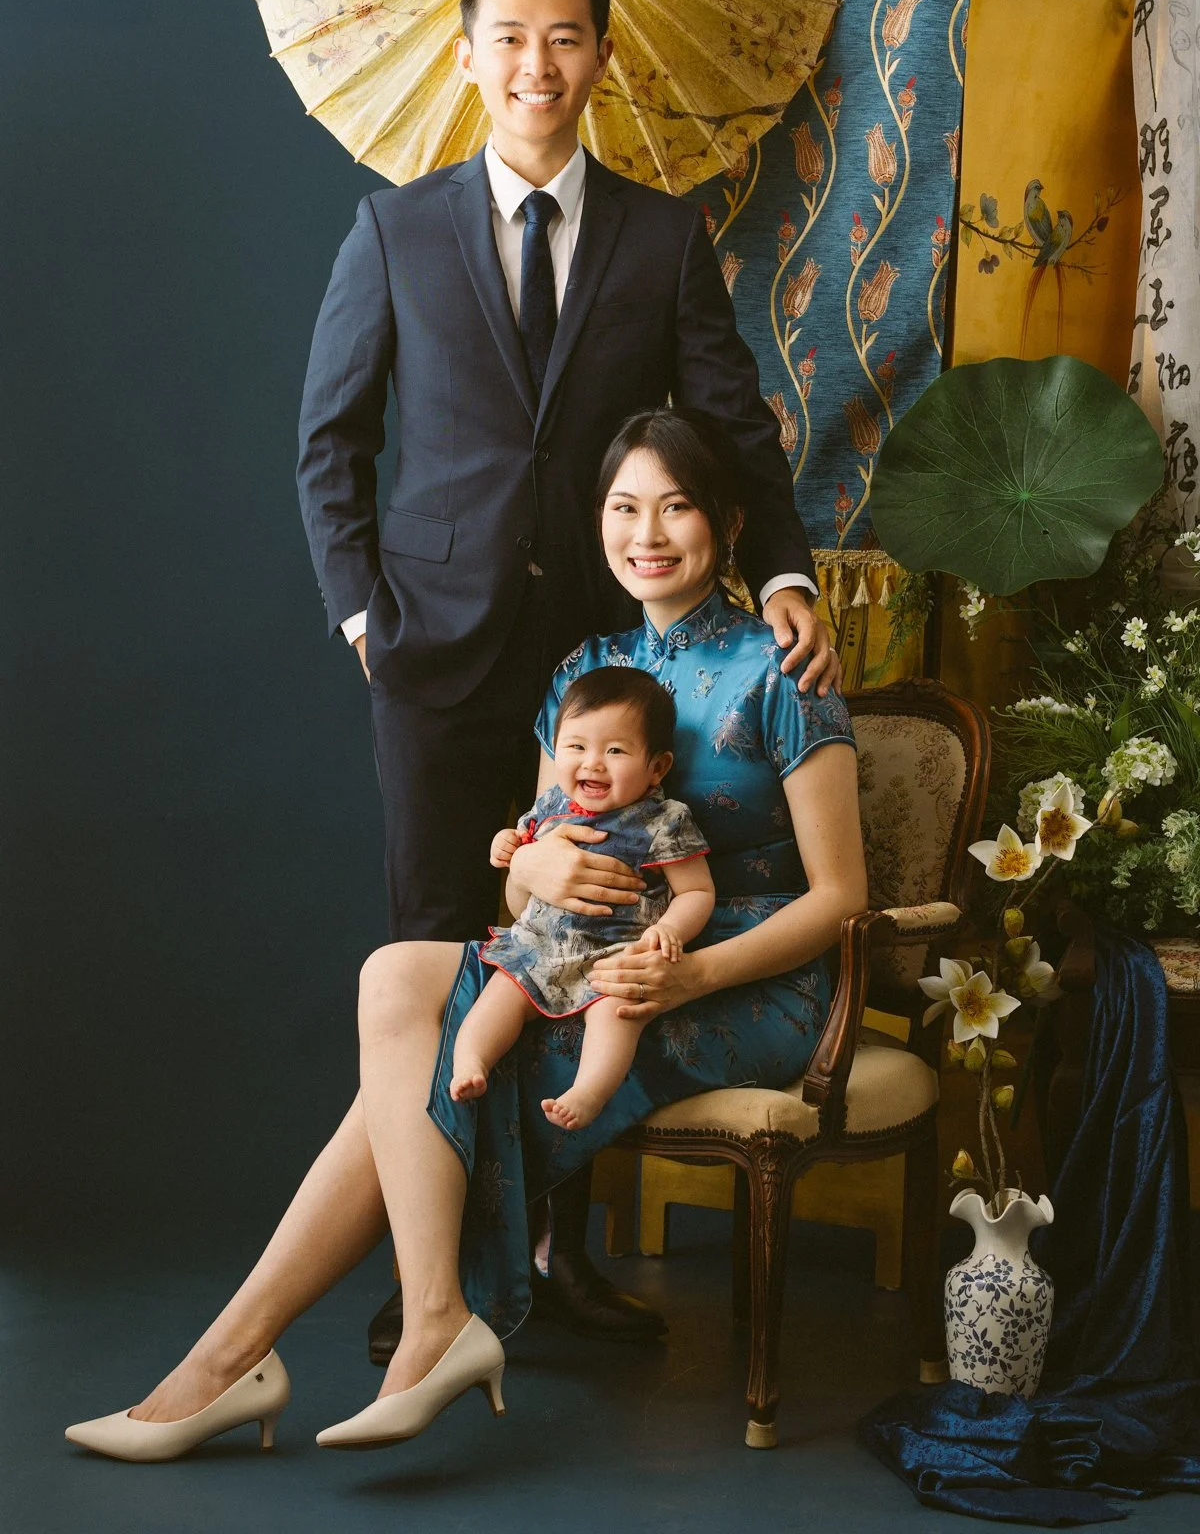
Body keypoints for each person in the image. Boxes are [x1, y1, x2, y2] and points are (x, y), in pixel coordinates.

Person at [64, 409, 867, 1462]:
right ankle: (415, 1321)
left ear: (724, 521)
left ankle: (236, 1359)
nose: (649, 532)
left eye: (676, 506)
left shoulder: (783, 666)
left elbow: (842, 897)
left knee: (444, 1065)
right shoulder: (587, 664)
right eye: (624, 507)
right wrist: (526, 861)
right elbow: (539, 863)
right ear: (598, 524)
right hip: (582, 954)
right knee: (396, 978)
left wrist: (690, 970)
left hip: (741, 974)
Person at [294, 0, 842, 1351]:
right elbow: (330, 442)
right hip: (434, 661)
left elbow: (726, 422)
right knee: (437, 950)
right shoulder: (393, 231)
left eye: (565, 38)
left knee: (588, 943)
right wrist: (367, 615)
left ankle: (556, 1259)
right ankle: (429, 1278)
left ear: (601, 57)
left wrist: (781, 571)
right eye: (510, 37)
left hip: (601, 678)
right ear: (469, 54)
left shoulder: (662, 236)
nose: (537, 65)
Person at [451, 666, 716, 1130]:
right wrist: (508, 846)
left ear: (657, 767)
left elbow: (696, 890)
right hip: (539, 944)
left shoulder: (663, 820)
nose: (592, 763)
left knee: (617, 1013)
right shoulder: (552, 804)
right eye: (575, 747)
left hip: (614, 954)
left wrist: (669, 929)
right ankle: (470, 1061)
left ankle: (589, 1091)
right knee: (499, 997)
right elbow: (522, 844)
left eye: (615, 750)